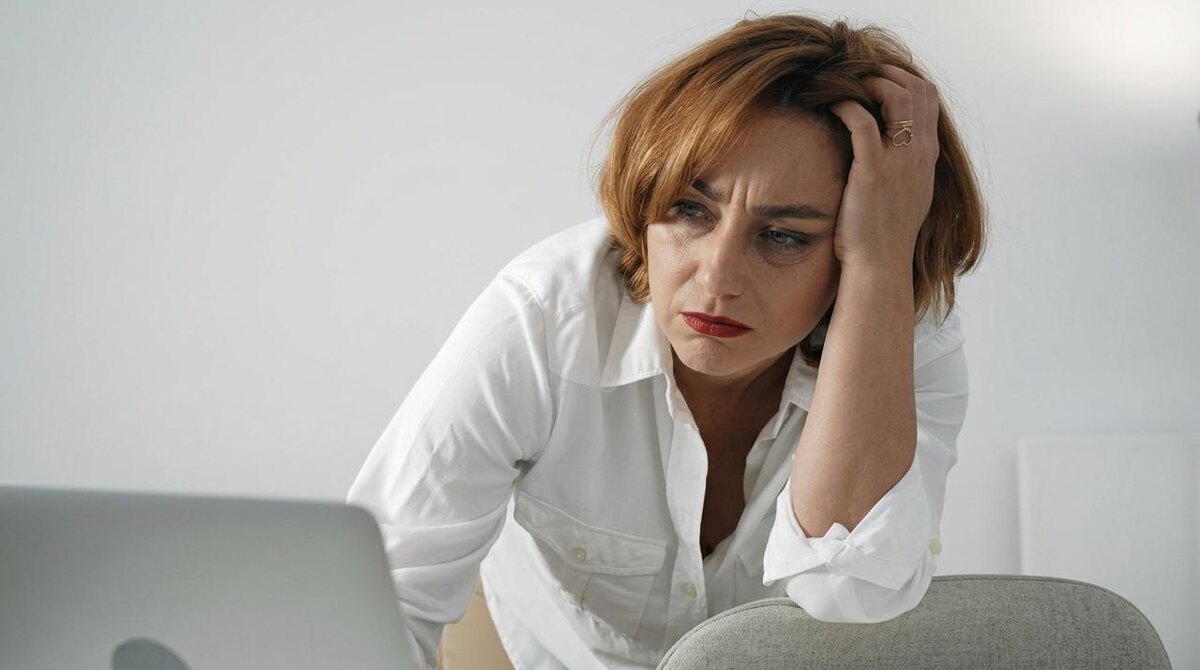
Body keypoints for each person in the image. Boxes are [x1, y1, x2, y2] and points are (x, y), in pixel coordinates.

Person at [347, 11, 986, 670]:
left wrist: (879, 266)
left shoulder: (908, 338)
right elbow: (378, 599)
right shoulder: (542, 317)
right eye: (689, 209)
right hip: (545, 648)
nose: (717, 278)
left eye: (783, 235)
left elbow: (850, 594)